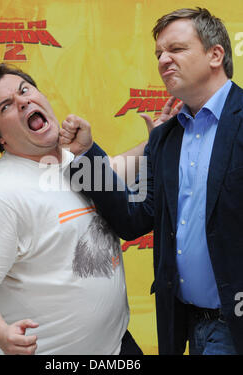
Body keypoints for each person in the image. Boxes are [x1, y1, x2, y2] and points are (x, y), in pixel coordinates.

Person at [60, 7, 243, 355]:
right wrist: (85, 154)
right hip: (184, 323)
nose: (163, 60)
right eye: (159, 53)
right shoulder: (164, 138)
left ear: (215, 54)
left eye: (176, 49)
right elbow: (134, 219)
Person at [0, 63, 148, 355]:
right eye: (6, 106)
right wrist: (3, 335)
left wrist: (156, 142)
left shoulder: (71, 157)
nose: (22, 101)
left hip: (116, 347)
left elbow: (112, 175)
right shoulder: (0, 194)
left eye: (24, 90)